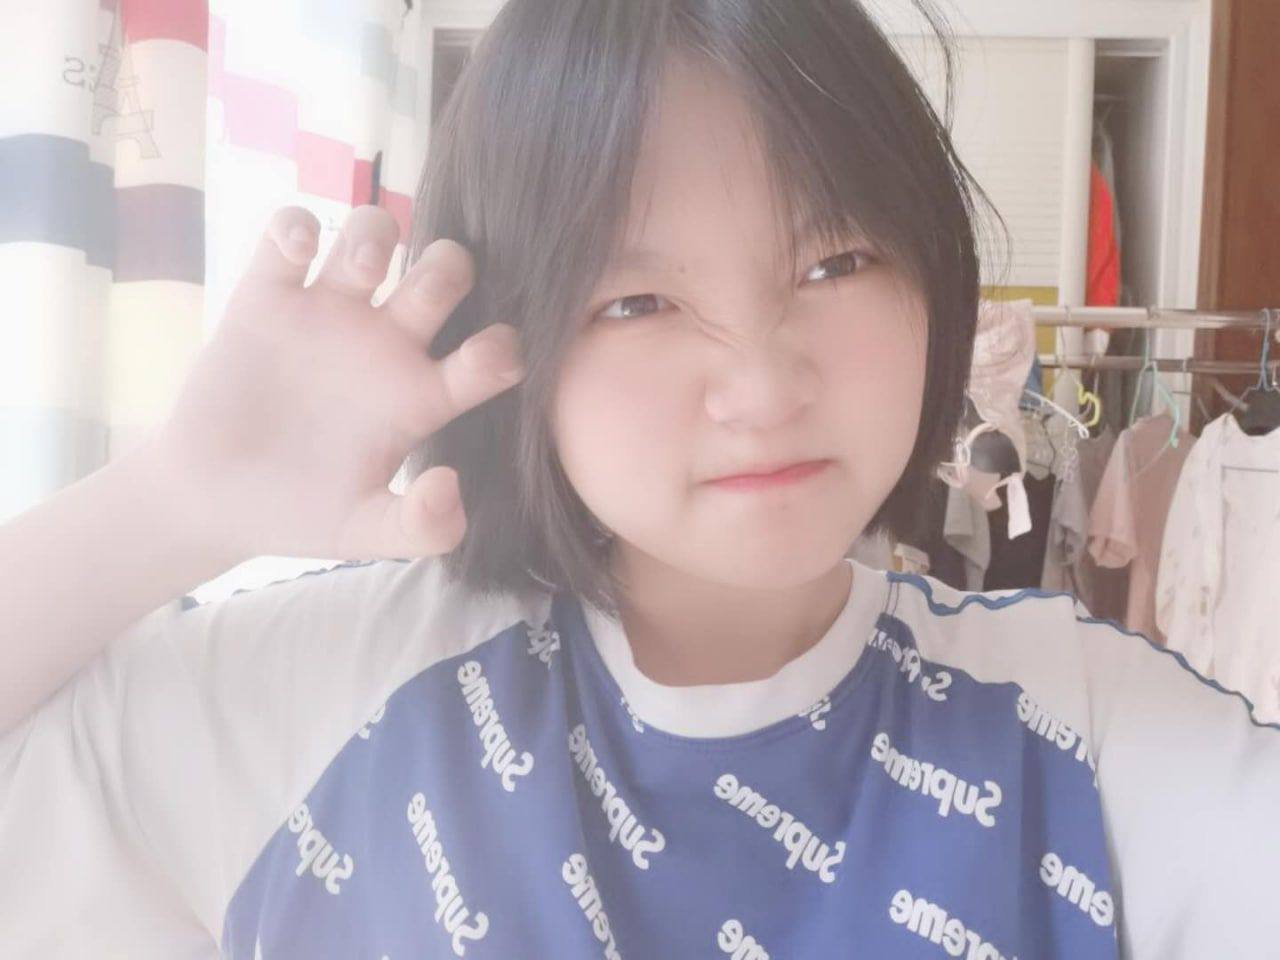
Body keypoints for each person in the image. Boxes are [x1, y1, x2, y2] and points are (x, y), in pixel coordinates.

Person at [1, 0, 1276, 957]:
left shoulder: (1076, 734)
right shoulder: (335, 695)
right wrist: (171, 504)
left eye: (833, 264)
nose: (761, 385)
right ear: (511, 337)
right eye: (636, 301)